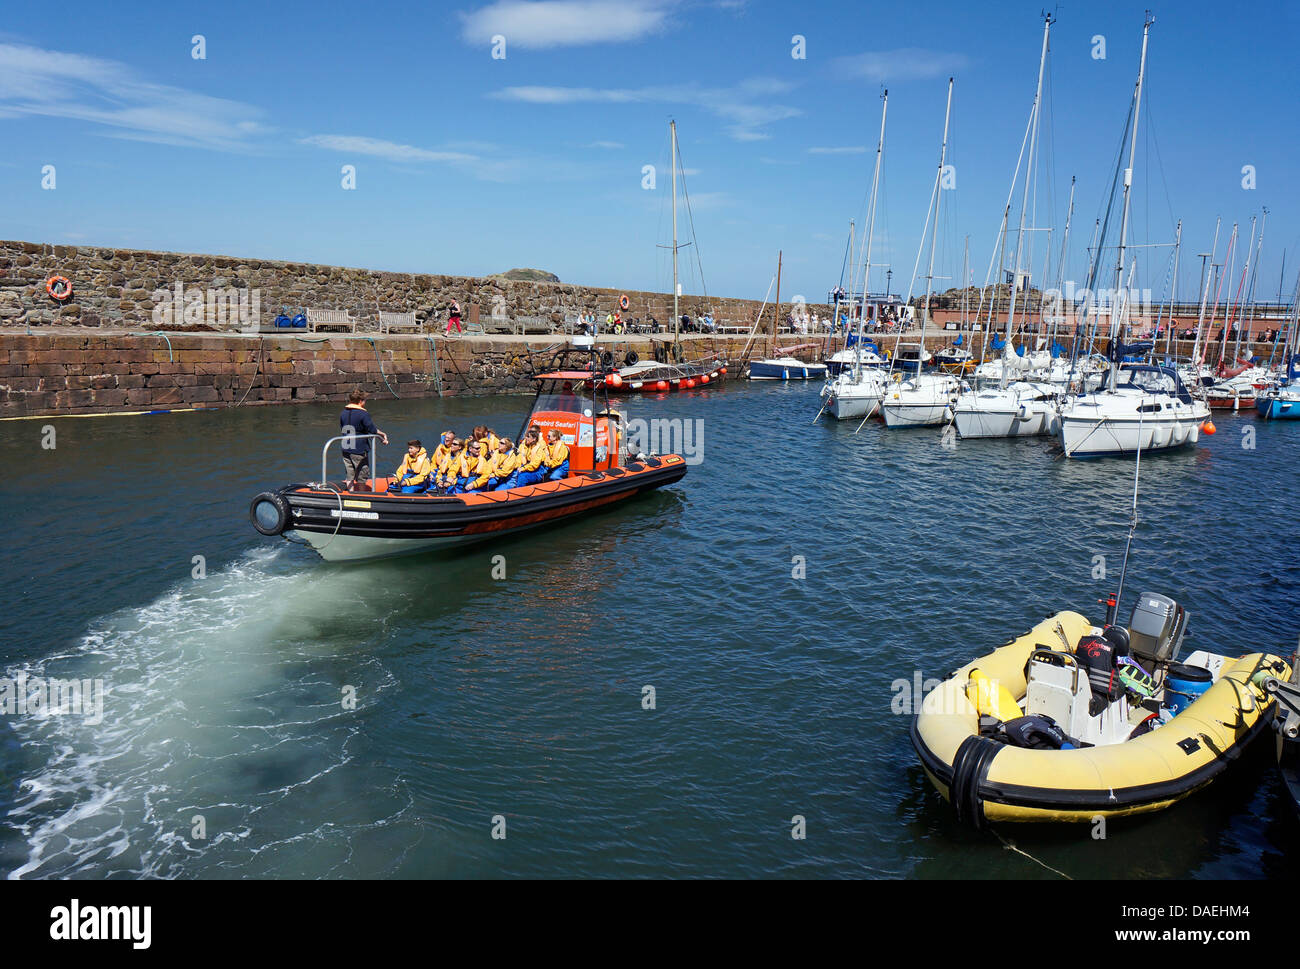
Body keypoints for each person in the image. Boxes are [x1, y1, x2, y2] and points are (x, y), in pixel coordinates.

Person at [339, 389, 388, 491]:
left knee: (349, 473)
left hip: (346, 447)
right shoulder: (363, 414)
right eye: (365, 400)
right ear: (360, 401)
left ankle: (350, 494)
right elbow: (372, 429)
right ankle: (362, 495)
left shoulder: (343, 413)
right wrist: (382, 434)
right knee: (362, 473)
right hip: (358, 448)